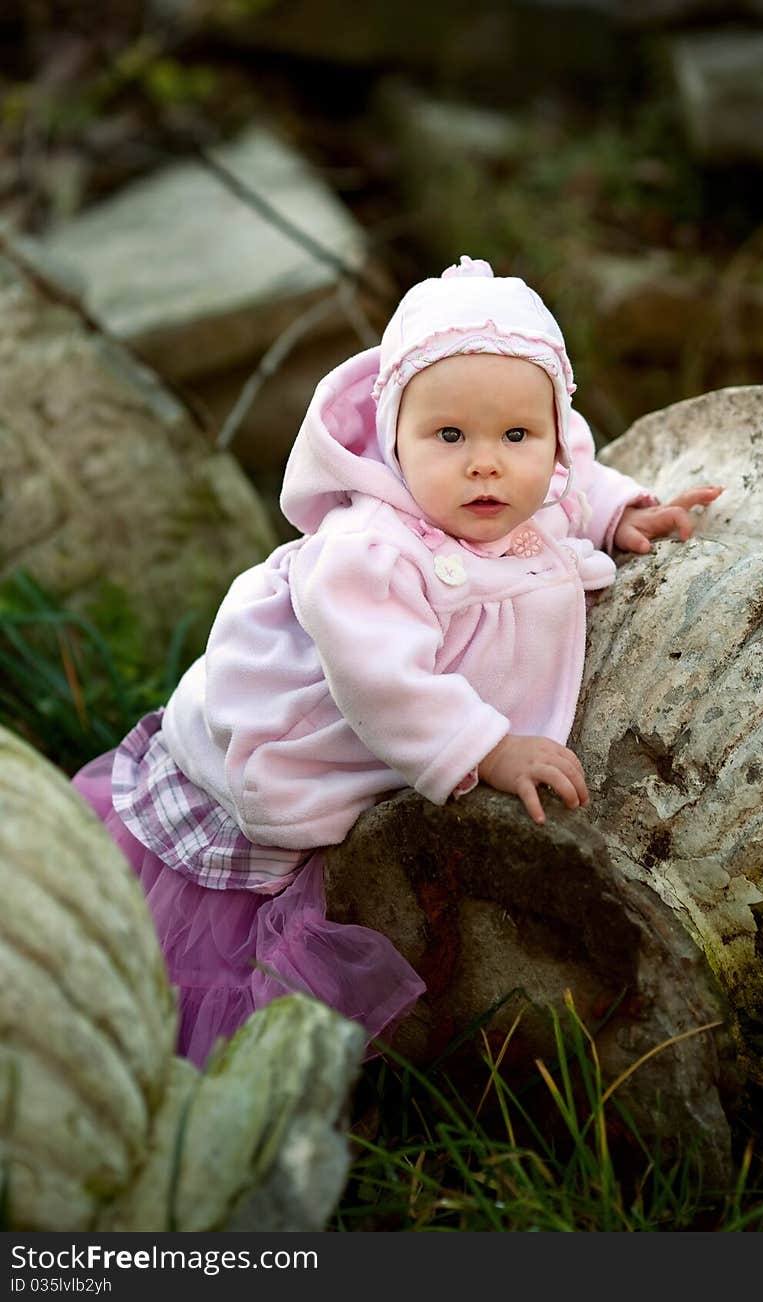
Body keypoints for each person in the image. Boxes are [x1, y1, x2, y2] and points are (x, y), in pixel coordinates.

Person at [72, 254, 722, 1067]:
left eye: (516, 434)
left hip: (381, 699)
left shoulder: (533, 482)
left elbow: (571, 485)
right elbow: (383, 679)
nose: (485, 462)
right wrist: (485, 747)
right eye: (448, 435)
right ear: (392, 441)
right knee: (266, 899)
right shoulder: (369, 549)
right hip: (309, 721)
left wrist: (623, 511)